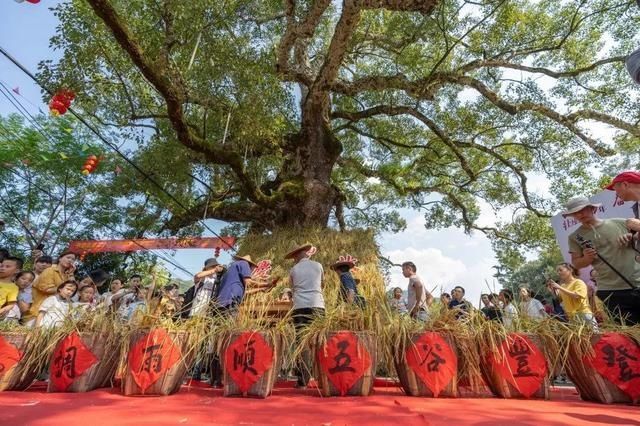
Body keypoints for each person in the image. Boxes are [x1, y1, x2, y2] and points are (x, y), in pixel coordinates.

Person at [563, 196, 640, 324]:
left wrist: (633, 236)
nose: (580, 214)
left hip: (636, 281)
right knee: (630, 333)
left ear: (592, 208)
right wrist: (586, 258)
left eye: (582, 210)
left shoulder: (619, 222)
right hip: (610, 290)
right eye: (575, 213)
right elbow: (576, 263)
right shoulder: (574, 237)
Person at [287, 243, 324, 388]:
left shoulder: (294, 269)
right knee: (320, 341)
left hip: (300, 307)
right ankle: (323, 378)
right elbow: (322, 284)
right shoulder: (318, 265)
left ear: (297, 255)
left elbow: (292, 288)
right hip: (318, 306)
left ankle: (303, 380)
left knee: (302, 343)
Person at [26, 250, 76, 327]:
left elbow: (73, 288)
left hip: (55, 316)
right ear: (60, 259)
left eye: (73, 259)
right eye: (68, 257)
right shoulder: (50, 270)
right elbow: (46, 289)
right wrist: (63, 288)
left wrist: (71, 273)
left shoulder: (66, 275)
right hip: (39, 313)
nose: (70, 260)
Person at [546, 263, 597, 328]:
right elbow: (560, 298)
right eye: (557, 271)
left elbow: (577, 296)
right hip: (572, 318)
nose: (559, 273)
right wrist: (553, 291)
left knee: (595, 336)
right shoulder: (563, 286)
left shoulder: (578, 282)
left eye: (560, 270)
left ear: (570, 270)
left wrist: (560, 287)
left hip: (583, 314)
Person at [0, 256, 23, 320]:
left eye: (7, 266)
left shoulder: (13, 287)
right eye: (2, 266)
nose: (2, 268)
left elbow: (11, 304)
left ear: (17, 270)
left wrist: (1, 311)